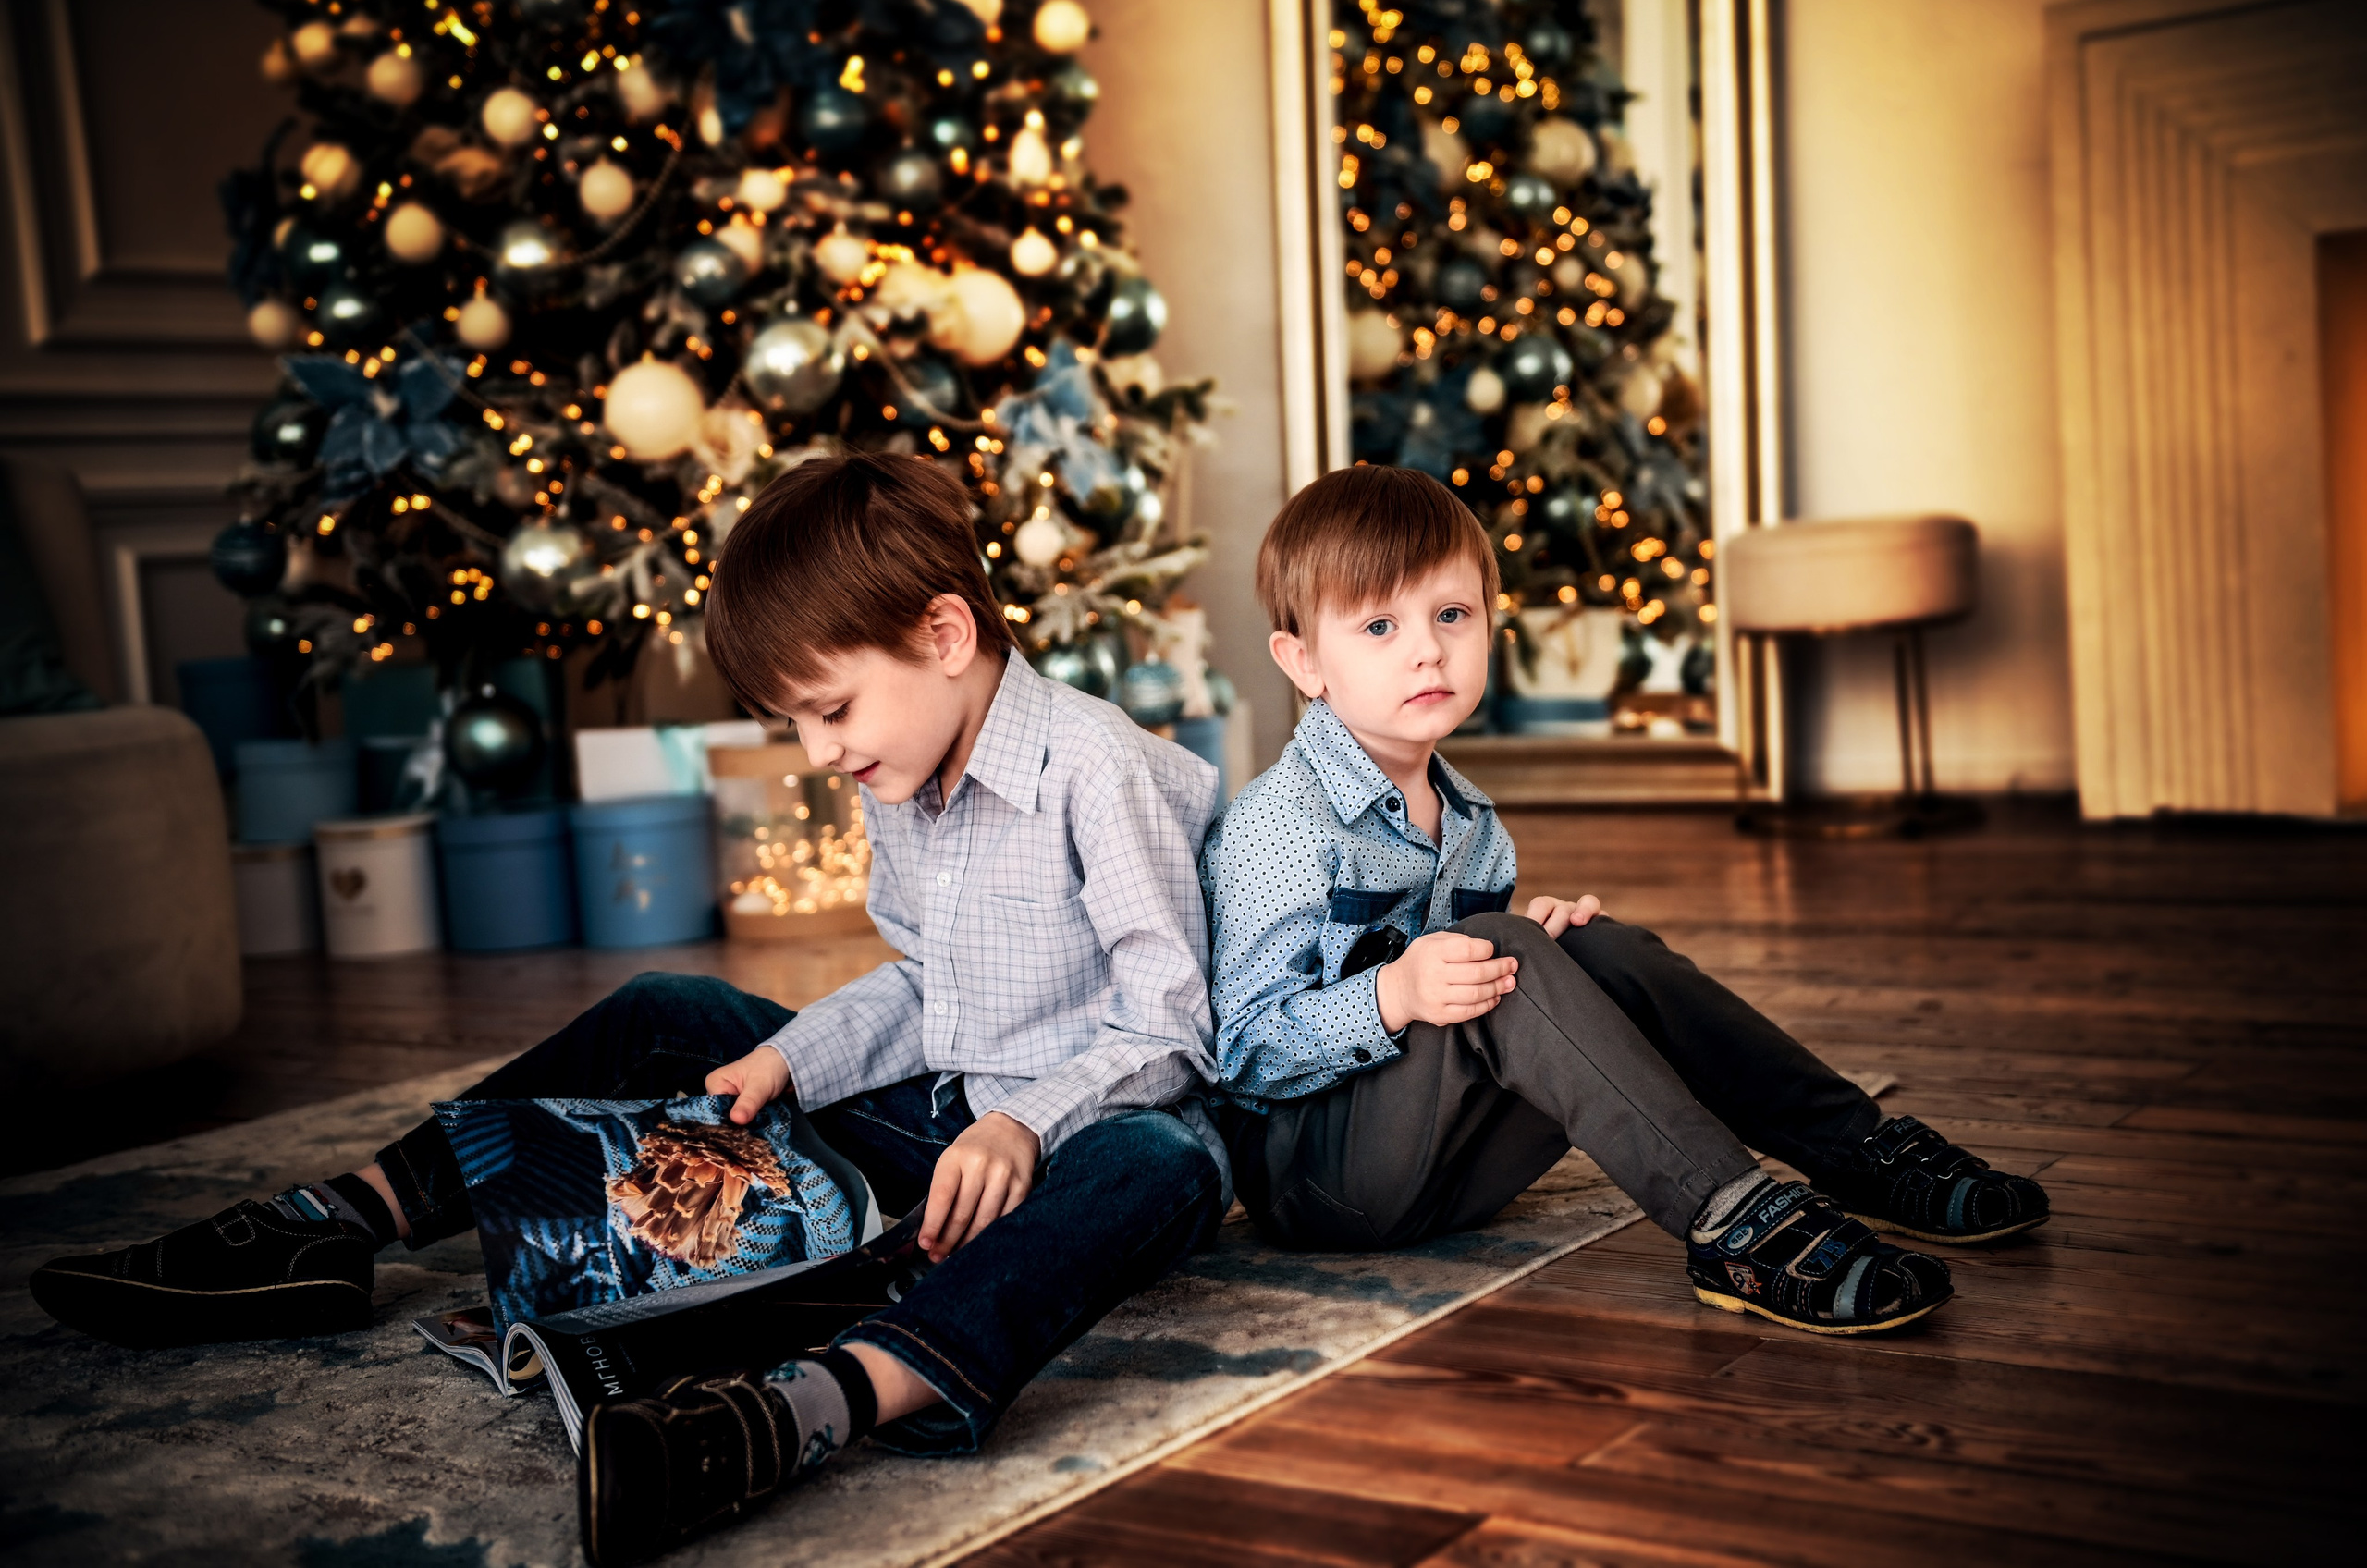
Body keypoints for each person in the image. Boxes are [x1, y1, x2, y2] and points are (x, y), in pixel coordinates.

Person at [31, 454, 1231, 1567]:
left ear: (946, 634)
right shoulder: (906, 773)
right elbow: (931, 985)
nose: (818, 752)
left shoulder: (1099, 770)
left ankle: (818, 1400)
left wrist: (1025, 1126)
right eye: (798, 724)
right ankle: (333, 1222)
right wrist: (791, 1061)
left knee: (1168, 1162)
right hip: (927, 1124)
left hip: (1060, 1146)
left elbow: (1172, 1028)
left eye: (832, 711)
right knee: (674, 1009)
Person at [1201, 464, 2047, 1338]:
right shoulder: (1281, 824)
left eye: (1451, 615)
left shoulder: (1473, 821)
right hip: (1319, 1179)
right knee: (1515, 951)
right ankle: (1733, 1220)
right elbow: (1236, 1052)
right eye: (1380, 625)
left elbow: (1471, 1021)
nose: (1428, 649)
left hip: (1439, 1163)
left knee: (1592, 947)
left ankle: (1858, 1151)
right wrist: (1396, 994)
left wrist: (1541, 966)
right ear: (1303, 661)